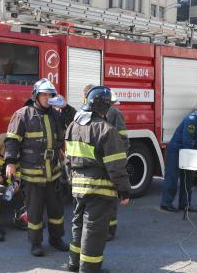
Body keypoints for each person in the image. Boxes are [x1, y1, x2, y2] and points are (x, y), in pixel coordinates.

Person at [5, 78, 76, 256]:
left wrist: (66, 107)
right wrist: (10, 162)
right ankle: (36, 243)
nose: (47, 97)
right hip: (32, 173)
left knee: (56, 210)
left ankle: (56, 238)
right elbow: (12, 140)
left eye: (50, 94)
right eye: (44, 94)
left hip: (53, 172)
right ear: (36, 95)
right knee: (34, 212)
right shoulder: (23, 114)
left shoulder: (57, 114)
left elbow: (76, 122)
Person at [66, 86, 130, 273]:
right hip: (99, 189)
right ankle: (89, 269)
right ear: (103, 107)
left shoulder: (73, 126)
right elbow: (116, 165)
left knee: (78, 225)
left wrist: (72, 180)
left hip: (78, 187)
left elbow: (67, 159)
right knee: (94, 231)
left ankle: (73, 263)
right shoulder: (106, 129)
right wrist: (123, 191)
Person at [83, 84, 128, 241]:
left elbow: (123, 138)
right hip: (100, 162)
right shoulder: (88, 113)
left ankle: (110, 229)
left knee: (111, 197)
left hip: (112, 159)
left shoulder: (114, 112)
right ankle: (103, 227)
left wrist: (120, 159)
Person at [160, 102, 197, 212]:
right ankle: (166, 203)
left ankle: (185, 204)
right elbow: (188, 141)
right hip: (177, 151)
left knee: (188, 178)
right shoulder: (192, 120)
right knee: (172, 177)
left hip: (187, 152)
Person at [0, 133, 27, 231]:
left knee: (26, 186)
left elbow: (20, 168)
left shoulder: (24, 146)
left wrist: (17, 182)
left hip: (8, 175)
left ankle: (25, 217)